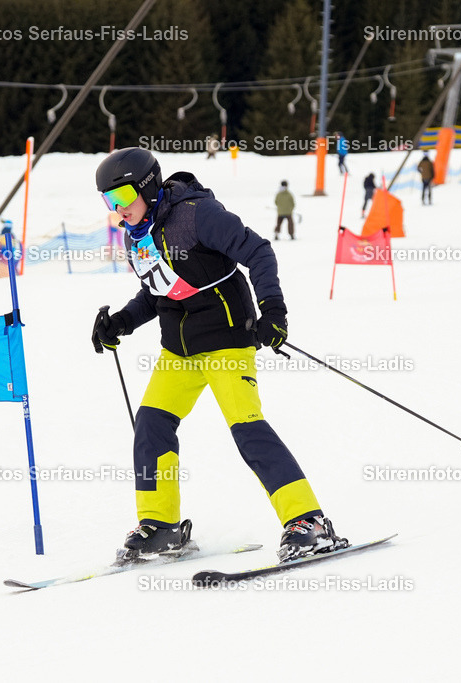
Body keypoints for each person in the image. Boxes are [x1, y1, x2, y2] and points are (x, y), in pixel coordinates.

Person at [91, 147, 348, 563]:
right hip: (179, 350)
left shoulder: (196, 215)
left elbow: (260, 251)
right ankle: (161, 526)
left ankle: (308, 521)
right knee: (152, 424)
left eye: (121, 198)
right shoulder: (135, 235)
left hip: (227, 340)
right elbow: (157, 291)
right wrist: (121, 322)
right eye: (108, 202)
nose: (117, 210)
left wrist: (274, 310)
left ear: (147, 187)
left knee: (246, 428)